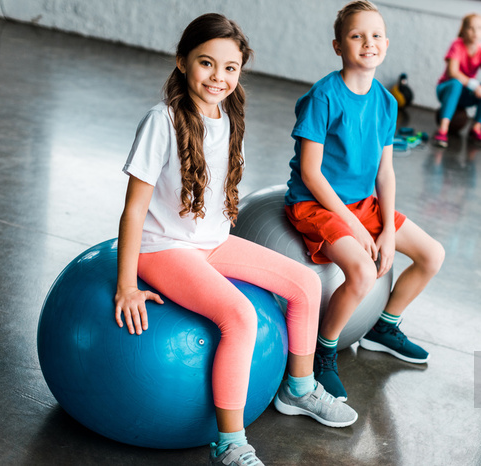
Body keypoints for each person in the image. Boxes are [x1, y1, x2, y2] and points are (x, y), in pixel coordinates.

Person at [114, 13, 357, 466]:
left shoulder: (229, 116)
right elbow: (134, 209)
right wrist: (126, 283)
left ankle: (298, 387)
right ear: (183, 60)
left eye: (230, 68)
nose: (218, 77)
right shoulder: (161, 120)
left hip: (212, 242)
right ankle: (229, 442)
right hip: (163, 247)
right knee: (241, 317)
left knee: (305, 284)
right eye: (207, 63)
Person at [284, 0, 445, 402]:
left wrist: (388, 228)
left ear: (386, 44)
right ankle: (324, 354)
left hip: (364, 203)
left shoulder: (387, 102)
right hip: (317, 204)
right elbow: (311, 173)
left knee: (432, 255)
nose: (367, 43)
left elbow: (385, 172)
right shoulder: (323, 96)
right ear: (338, 46)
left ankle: (382, 326)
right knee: (362, 272)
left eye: (375, 36)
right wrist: (354, 226)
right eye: (356, 36)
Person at [434, 13, 481, 148]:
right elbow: (453, 72)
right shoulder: (457, 45)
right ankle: (443, 130)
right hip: (446, 89)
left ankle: (476, 128)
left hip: (464, 93)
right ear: (463, 30)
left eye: (479, 28)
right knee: (456, 84)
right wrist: (474, 85)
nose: (475, 32)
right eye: (471, 28)